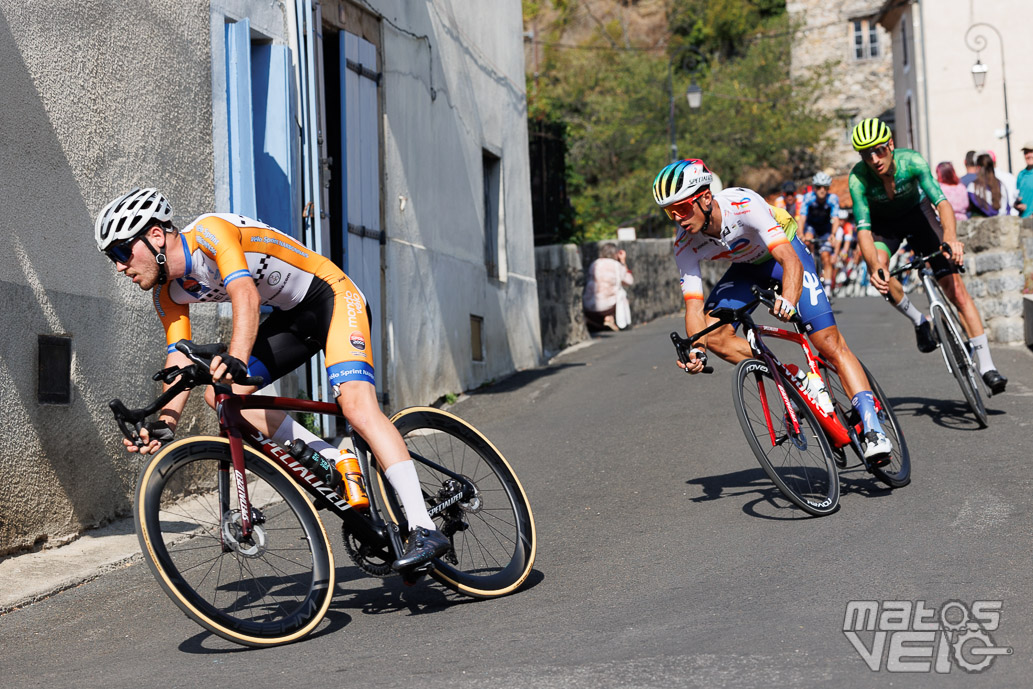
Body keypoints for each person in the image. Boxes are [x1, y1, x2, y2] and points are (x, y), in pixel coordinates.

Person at [94, 188, 451, 570]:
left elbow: (244, 294)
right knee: (223, 399)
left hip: (330, 294)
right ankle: (334, 460)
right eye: (112, 257)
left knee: (356, 405)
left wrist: (236, 357)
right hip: (289, 320)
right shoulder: (167, 294)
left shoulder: (210, 234)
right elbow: (178, 356)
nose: (119, 266)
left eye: (121, 252)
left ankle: (423, 525)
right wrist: (165, 423)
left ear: (156, 236)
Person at [653, 159, 893, 461]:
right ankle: (791, 377)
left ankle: (872, 427)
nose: (677, 218)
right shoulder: (684, 242)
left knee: (828, 343)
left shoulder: (743, 204)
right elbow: (693, 306)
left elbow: (789, 261)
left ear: (704, 197)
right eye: (669, 212)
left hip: (786, 254)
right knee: (712, 334)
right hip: (746, 268)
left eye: (682, 208)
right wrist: (696, 350)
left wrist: (789, 300)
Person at [847, 118, 1007, 394]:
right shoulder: (857, 178)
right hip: (885, 226)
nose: (874, 159)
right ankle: (920, 320)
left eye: (879, 150)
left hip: (919, 217)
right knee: (882, 273)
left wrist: (951, 240)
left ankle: (987, 366)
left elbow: (941, 202)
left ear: (891, 145)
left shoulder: (912, 162)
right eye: (866, 153)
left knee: (956, 289)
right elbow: (863, 229)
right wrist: (874, 267)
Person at [799, 172, 841, 297]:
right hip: (811, 227)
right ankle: (810, 262)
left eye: (825, 187)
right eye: (818, 187)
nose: (822, 190)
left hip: (825, 229)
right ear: (814, 187)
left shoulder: (833, 199)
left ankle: (827, 288)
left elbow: (836, 219)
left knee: (826, 256)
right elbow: (802, 218)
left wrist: (833, 234)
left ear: (828, 188)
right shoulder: (808, 197)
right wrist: (801, 233)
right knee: (807, 239)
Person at [583, 242, 634, 331]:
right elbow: (629, 281)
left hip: (589, 307)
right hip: (607, 308)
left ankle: (599, 321)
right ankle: (611, 319)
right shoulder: (616, 266)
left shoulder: (594, 264)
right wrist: (623, 262)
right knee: (622, 294)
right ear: (615, 253)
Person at [966, 151, 1012, 217]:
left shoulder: (973, 187)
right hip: (1004, 222)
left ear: (978, 167)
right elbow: (1007, 209)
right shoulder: (1001, 184)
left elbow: (989, 211)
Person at [1017, 141, 1033, 218]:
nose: (1028, 155)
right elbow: (1017, 195)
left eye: (1031, 152)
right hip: (1023, 220)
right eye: (1026, 152)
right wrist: (1017, 204)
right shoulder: (1021, 175)